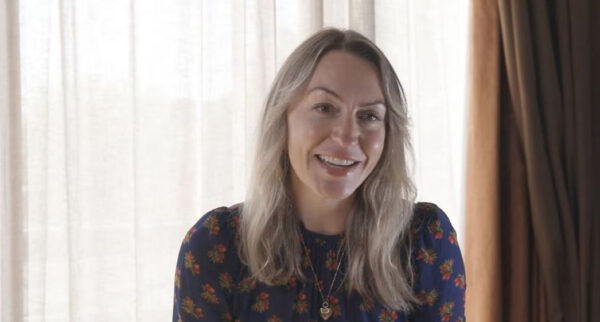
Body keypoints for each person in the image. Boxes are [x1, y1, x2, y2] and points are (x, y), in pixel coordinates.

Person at [173, 28, 466, 322]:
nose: (347, 136)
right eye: (325, 108)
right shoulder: (216, 247)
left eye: (369, 116)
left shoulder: (425, 241)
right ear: (282, 118)